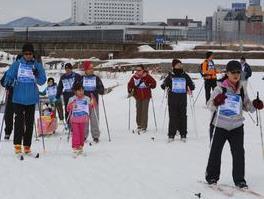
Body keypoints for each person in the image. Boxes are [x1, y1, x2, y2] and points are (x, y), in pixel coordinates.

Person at [205, 60, 263, 189]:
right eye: (233, 72)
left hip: (236, 126)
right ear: (227, 73)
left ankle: (239, 180)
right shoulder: (220, 88)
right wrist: (216, 101)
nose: (236, 75)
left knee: (238, 154)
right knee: (215, 152)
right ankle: (212, 177)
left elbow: (247, 106)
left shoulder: (241, 88)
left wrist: (255, 104)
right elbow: (209, 105)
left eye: (238, 72)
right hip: (219, 126)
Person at [3, 43, 46, 154]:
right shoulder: (17, 64)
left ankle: (27, 146)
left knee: (29, 122)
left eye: (30, 53)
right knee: (19, 122)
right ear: (23, 54)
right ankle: (17, 145)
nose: (28, 55)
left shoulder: (36, 65)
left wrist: (37, 75)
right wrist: (8, 82)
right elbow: (9, 76)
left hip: (31, 99)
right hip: (18, 98)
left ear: (33, 54)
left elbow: (42, 81)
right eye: (26, 53)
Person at [161, 59, 195, 142]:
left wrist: (190, 87)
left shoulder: (185, 75)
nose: (180, 66)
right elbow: (163, 85)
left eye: (180, 64)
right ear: (173, 66)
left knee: (183, 116)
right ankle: (171, 134)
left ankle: (183, 133)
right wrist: (165, 84)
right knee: (172, 116)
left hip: (182, 99)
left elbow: (192, 85)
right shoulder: (170, 75)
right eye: (178, 64)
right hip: (172, 99)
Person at [78, 61, 104, 143]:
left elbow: (102, 90)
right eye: (89, 68)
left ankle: (95, 136)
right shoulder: (81, 78)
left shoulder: (96, 78)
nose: (91, 70)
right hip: (83, 102)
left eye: (92, 68)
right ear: (85, 70)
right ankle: (84, 135)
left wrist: (95, 90)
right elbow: (75, 89)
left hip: (94, 101)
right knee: (84, 119)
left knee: (94, 119)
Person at [127, 65, 156, 134]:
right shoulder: (134, 77)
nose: (137, 71)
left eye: (139, 70)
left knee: (144, 111)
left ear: (143, 70)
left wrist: (149, 84)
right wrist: (130, 89)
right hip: (138, 96)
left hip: (146, 96)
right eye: (136, 70)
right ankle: (139, 125)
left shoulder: (147, 76)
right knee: (138, 110)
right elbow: (129, 84)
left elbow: (154, 84)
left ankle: (144, 127)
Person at [67, 82, 90, 157]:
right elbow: (68, 108)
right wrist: (71, 105)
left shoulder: (86, 98)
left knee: (81, 133)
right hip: (74, 120)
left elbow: (90, 107)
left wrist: (92, 103)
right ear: (75, 91)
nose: (81, 92)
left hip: (83, 119)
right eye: (79, 90)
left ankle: (80, 147)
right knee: (76, 133)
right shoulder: (72, 99)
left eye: (82, 90)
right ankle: (75, 147)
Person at [0, 71, 14, 140]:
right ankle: (7, 132)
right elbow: (2, 82)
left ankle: (21, 131)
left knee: (21, 115)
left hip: (21, 97)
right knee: (8, 115)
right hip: (10, 96)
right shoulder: (9, 71)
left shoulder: (25, 69)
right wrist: (6, 84)